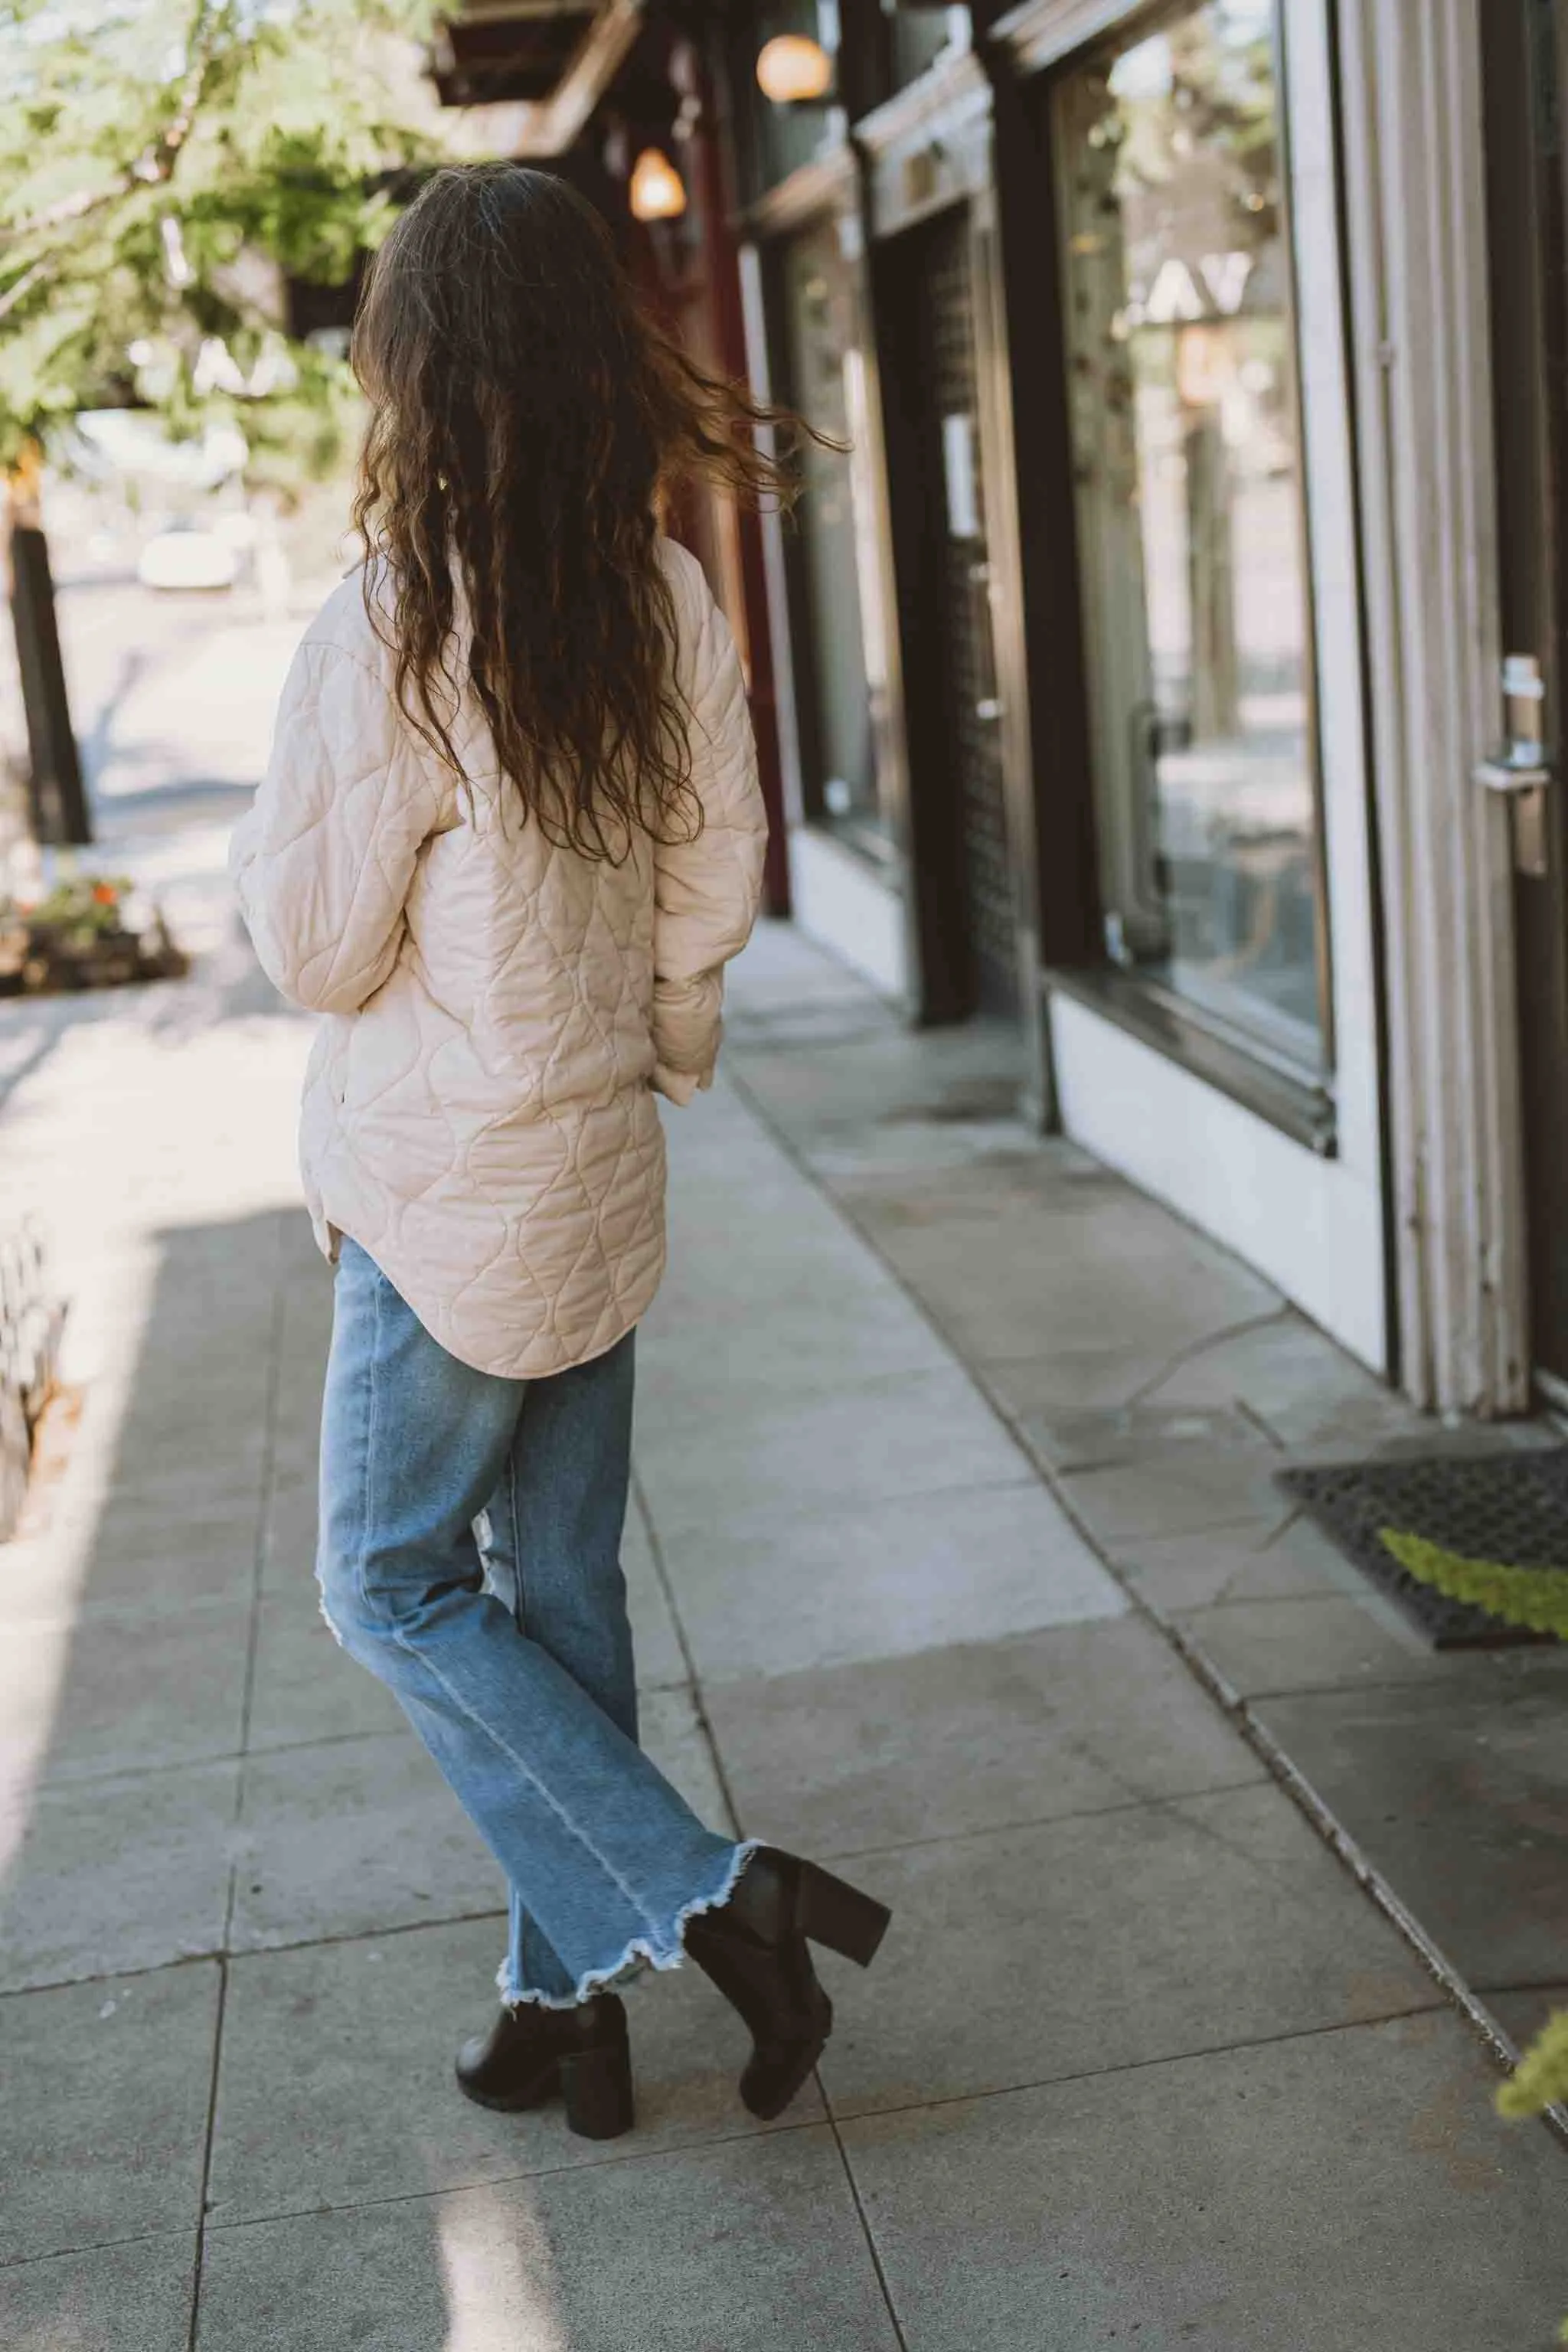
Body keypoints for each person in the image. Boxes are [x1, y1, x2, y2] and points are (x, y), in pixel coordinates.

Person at [229, 162, 889, 2144]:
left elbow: (313, 948)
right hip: (601, 1170)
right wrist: (655, 1045)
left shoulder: (396, 630)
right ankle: (564, 1998)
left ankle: (714, 1899)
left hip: (442, 1201)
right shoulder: (663, 594)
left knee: (387, 1585)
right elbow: (710, 897)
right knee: (566, 1582)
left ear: (416, 374)